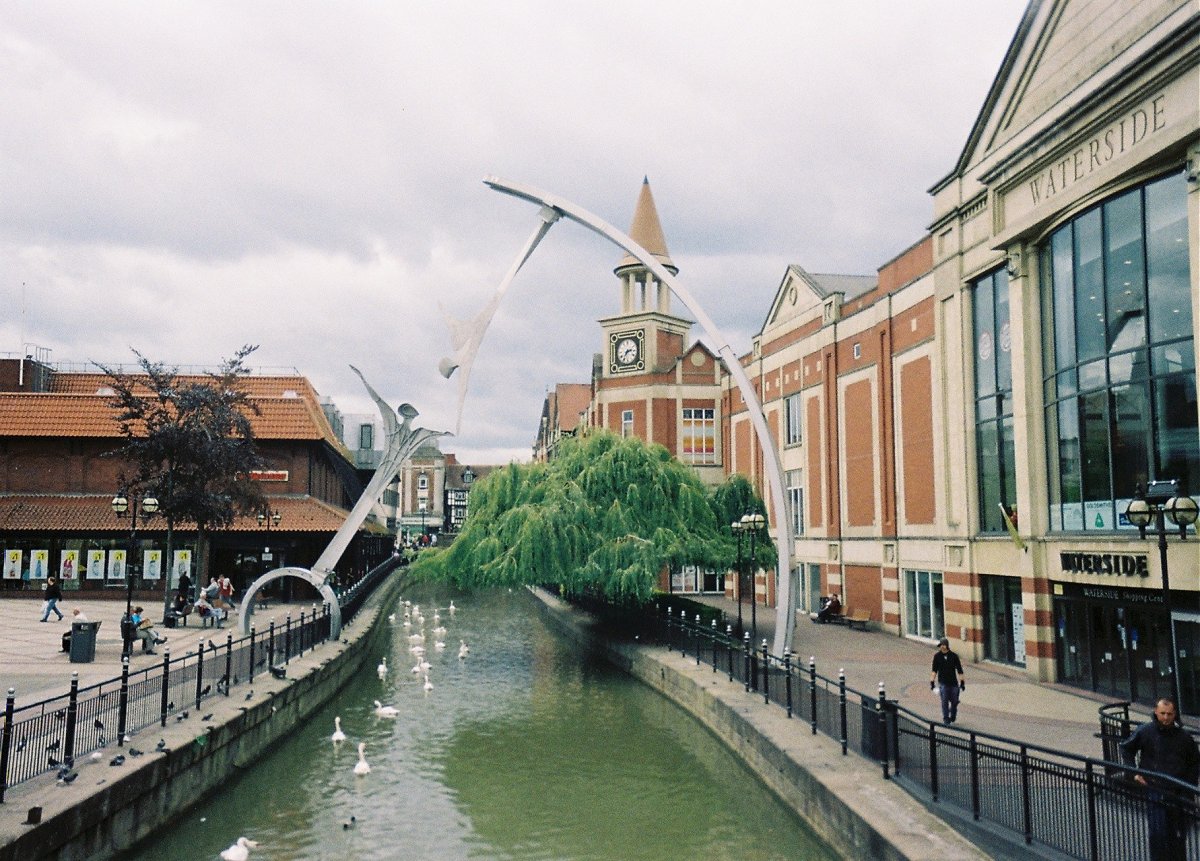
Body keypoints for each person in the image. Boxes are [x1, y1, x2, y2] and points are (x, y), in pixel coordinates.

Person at [1121, 698, 1200, 861]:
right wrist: (1134, 773)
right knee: (1158, 833)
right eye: (1162, 713)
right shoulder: (1146, 731)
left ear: (1175, 714)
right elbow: (1127, 749)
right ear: (1156, 712)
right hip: (1155, 788)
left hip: (1178, 790)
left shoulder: (1183, 737)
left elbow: (1194, 762)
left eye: (1169, 714)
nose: (1166, 717)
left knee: (1178, 834)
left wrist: (1190, 785)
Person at [929, 637, 965, 724]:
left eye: (943, 645)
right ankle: (946, 718)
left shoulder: (954, 656)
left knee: (955, 701)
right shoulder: (937, 657)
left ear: (947, 646)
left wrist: (962, 683)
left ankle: (953, 715)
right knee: (944, 701)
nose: (941, 647)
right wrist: (932, 683)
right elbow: (934, 670)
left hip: (953, 683)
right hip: (943, 683)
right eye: (940, 646)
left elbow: (959, 670)